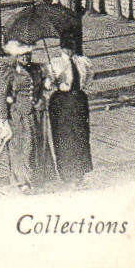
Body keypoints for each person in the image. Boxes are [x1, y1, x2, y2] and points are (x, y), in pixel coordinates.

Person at [0, 44, 47, 192]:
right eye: (22, 55)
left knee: (33, 145)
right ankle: (22, 181)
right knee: (21, 146)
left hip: (34, 113)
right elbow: (2, 94)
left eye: (28, 54)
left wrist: (42, 96)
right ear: (16, 56)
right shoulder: (10, 72)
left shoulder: (36, 69)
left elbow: (41, 87)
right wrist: (4, 117)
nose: (26, 57)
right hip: (17, 114)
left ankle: (33, 177)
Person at [46, 48, 93, 187]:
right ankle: (66, 173)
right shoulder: (55, 63)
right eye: (66, 45)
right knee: (64, 136)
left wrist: (83, 87)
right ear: (61, 48)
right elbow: (46, 84)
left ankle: (80, 172)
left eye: (72, 44)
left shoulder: (82, 61)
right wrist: (54, 80)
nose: (69, 48)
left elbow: (90, 74)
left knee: (81, 135)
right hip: (61, 101)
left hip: (78, 100)